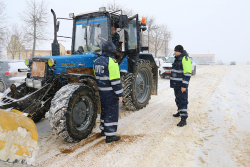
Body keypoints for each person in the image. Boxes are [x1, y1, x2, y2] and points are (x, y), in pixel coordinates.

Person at [93, 41, 123, 143]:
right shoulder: (112, 62)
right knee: (112, 112)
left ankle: (103, 130)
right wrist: (119, 94)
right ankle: (110, 136)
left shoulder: (97, 61)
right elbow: (115, 81)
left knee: (104, 111)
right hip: (111, 93)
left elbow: (97, 77)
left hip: (102, 91)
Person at [170, 45, 192, 127]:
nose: (174, 52)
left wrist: (184, 86)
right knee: (178, 99)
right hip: (176, 84)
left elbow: (187, 73)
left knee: (183, 100)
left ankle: (183, 119)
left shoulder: (185, 59)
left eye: (175, 51)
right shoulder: (178, 58)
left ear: (180, 51)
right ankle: (179, 112)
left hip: (181, 85)